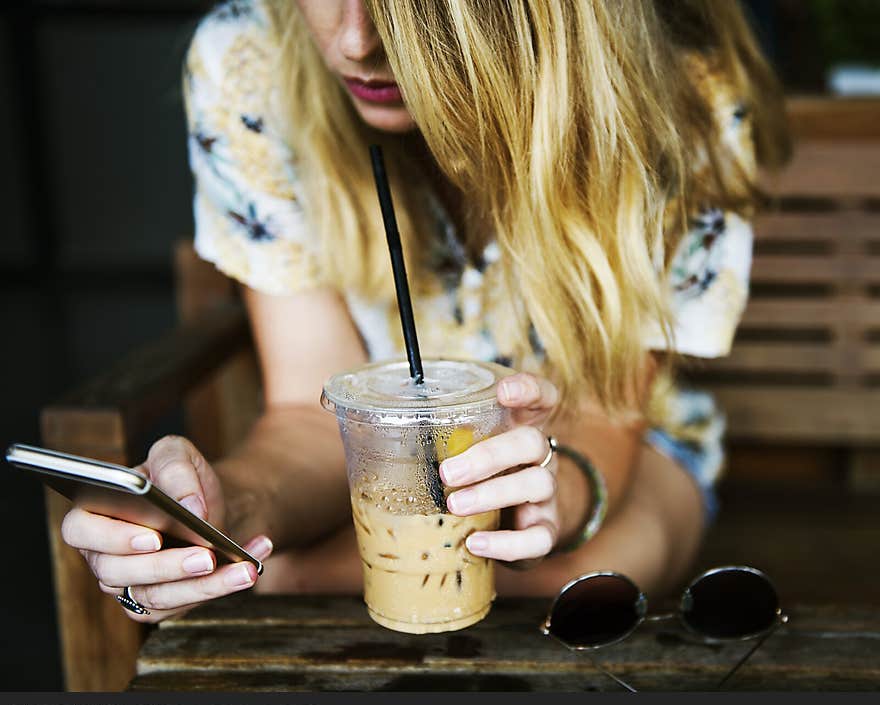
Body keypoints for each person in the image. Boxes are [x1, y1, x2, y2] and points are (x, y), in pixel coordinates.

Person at [61, 0, 789, 622]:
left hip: (615, 447)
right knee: (282, 572)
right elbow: (312, 414)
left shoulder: (680, 97)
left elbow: (607, 412)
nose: (355, 41)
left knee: (570, 585)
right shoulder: (249, 63)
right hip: (379, 468)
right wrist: (227, 514)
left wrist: (553, 495)